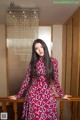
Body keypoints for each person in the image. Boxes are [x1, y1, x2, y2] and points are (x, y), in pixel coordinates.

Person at [9, 39, 71, 120]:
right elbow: (27, 80)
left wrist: (61, 95)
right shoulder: (33, 63)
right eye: (36, 48)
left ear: (45, 47)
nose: (39, 50)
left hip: (48, 95)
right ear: (34, 51)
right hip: (34, 96)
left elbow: (55, 80)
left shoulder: (53, 61)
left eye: (41, 47)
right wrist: (18, 95)